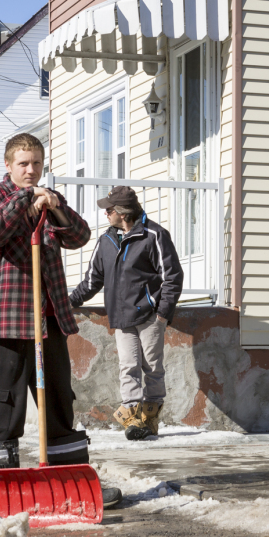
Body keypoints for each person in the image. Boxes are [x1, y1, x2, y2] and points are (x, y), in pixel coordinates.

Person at [0, 132, 121, 506]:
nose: (31, 170)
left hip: (49, 318)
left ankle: (70, 481)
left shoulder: (48, 202)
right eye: (23, 163)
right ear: (8, 165)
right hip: (9, 318)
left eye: (36, 163)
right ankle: (1, 485)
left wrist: (53, 207)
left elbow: (80, 235)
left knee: (59, 401)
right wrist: (26, 198)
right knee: (5, 402)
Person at [69, 187, 184, 441]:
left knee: (152, 366)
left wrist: (162, 313)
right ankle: (132, 418)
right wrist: (68, 302)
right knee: (128, 366)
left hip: (150, 316)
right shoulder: (106, 241)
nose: (105, 213)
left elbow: (172, 277)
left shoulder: (154, 235)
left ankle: (150, 420)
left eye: (109, 209)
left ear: (122, 213)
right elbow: (92, 281)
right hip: (121, 318)